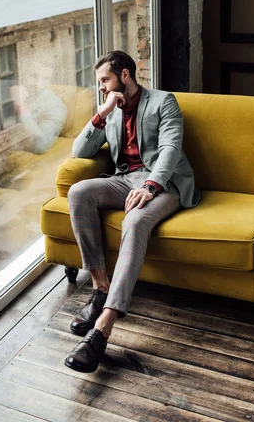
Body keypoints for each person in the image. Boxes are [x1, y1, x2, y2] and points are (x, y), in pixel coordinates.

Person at [65, 50, 200, 373]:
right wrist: (102, 113)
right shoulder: (110, 108)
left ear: (124, 76)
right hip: (125, 179)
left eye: (105, 80)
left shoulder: (163, 101)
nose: (101, 87)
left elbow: (170, 148)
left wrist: (151, 185)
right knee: (78, 192)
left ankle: (104, 326)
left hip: (165, 185)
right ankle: (100, 288)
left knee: (136, 220)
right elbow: (79, 151)